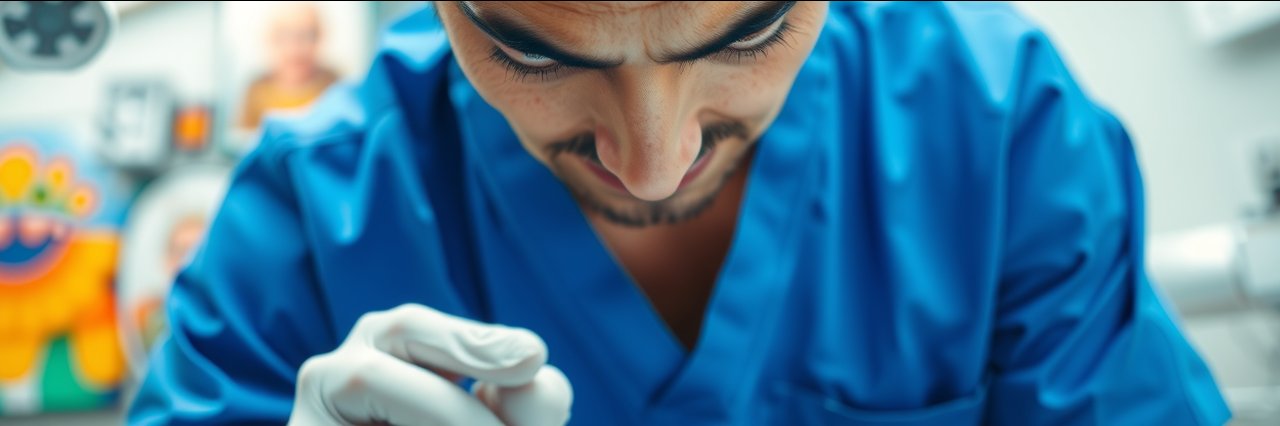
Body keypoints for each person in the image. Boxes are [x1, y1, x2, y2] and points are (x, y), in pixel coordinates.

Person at [128, 2, 1232, 425]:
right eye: (531, 52)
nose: (651, 166)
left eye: (744, 38)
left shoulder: (994, 128)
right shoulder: (309, 218)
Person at [237, 2, 339, 130]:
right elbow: (241, 142)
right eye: (284, 36)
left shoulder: (334, 85)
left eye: (306, 36)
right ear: (270, 40)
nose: (294, 48)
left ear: (320, 38)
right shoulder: (257, 90)